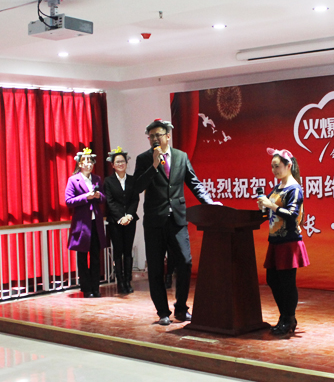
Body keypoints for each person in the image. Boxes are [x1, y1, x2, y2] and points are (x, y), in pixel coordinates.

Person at [134, 119, 221, 326]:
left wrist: (209, 203)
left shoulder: (181, 157)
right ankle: (163, 312)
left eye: (158, 135)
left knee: (185, 262)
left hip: (177, 219)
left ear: (168, 136)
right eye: (151, 136)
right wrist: (154, 165)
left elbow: (194, 182)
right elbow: (137, 187)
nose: (154, 139)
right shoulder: (144, 159)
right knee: (156, 268)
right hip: (154, 221)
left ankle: (181, 308)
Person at [257, 148, 310, 336]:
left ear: (289, 166)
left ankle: (289, 319)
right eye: (272, 167)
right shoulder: (278, 187)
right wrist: (264, 206)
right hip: (276, 240)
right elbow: (273, 210)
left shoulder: (294, 188)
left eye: (277, 166)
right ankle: (284, 317)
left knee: (287, 283)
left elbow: (292, 214)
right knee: (273, 279)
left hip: (289, 242)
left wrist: (271, 205)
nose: (274, 170)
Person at [65, 148, 107, 298]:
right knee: (82, 257)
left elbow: (104, 198)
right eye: (86, 161)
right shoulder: (73, 180)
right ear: (80, 164)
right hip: (82, 224)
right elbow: (68, 201)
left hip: (95, 223)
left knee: (96, 256)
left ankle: (96, 287)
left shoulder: (97, 179)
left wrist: (98, 195)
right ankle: (86, 288)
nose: (89, 164)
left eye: (91, 161)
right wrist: (85, 197)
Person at [104, 147, 140, 294]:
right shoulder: (108, 181)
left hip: (130, 220)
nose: (120, 164)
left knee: (128, 251)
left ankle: (128, 281)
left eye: (122, 161)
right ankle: (120, 282)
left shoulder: (132, 180)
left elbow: (135, 199)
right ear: (113, 165)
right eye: (117, 162)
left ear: (126, 163)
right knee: (118, 252)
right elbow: (110, 201)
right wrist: (120, 217)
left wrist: (129, 215)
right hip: (115, 222)